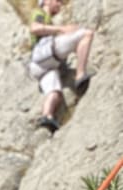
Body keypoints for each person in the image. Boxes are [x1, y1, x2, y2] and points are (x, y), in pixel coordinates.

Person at [28, 0, 94, 133]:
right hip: (44, 53)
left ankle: (47, 117)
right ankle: (80, 75)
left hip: (39, 67)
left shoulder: (48, 21)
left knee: (54, 93)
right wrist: (61, 29)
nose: (60, 4)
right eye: (57, 1)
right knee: (86, 34)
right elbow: (34, 28)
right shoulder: (40, 13)